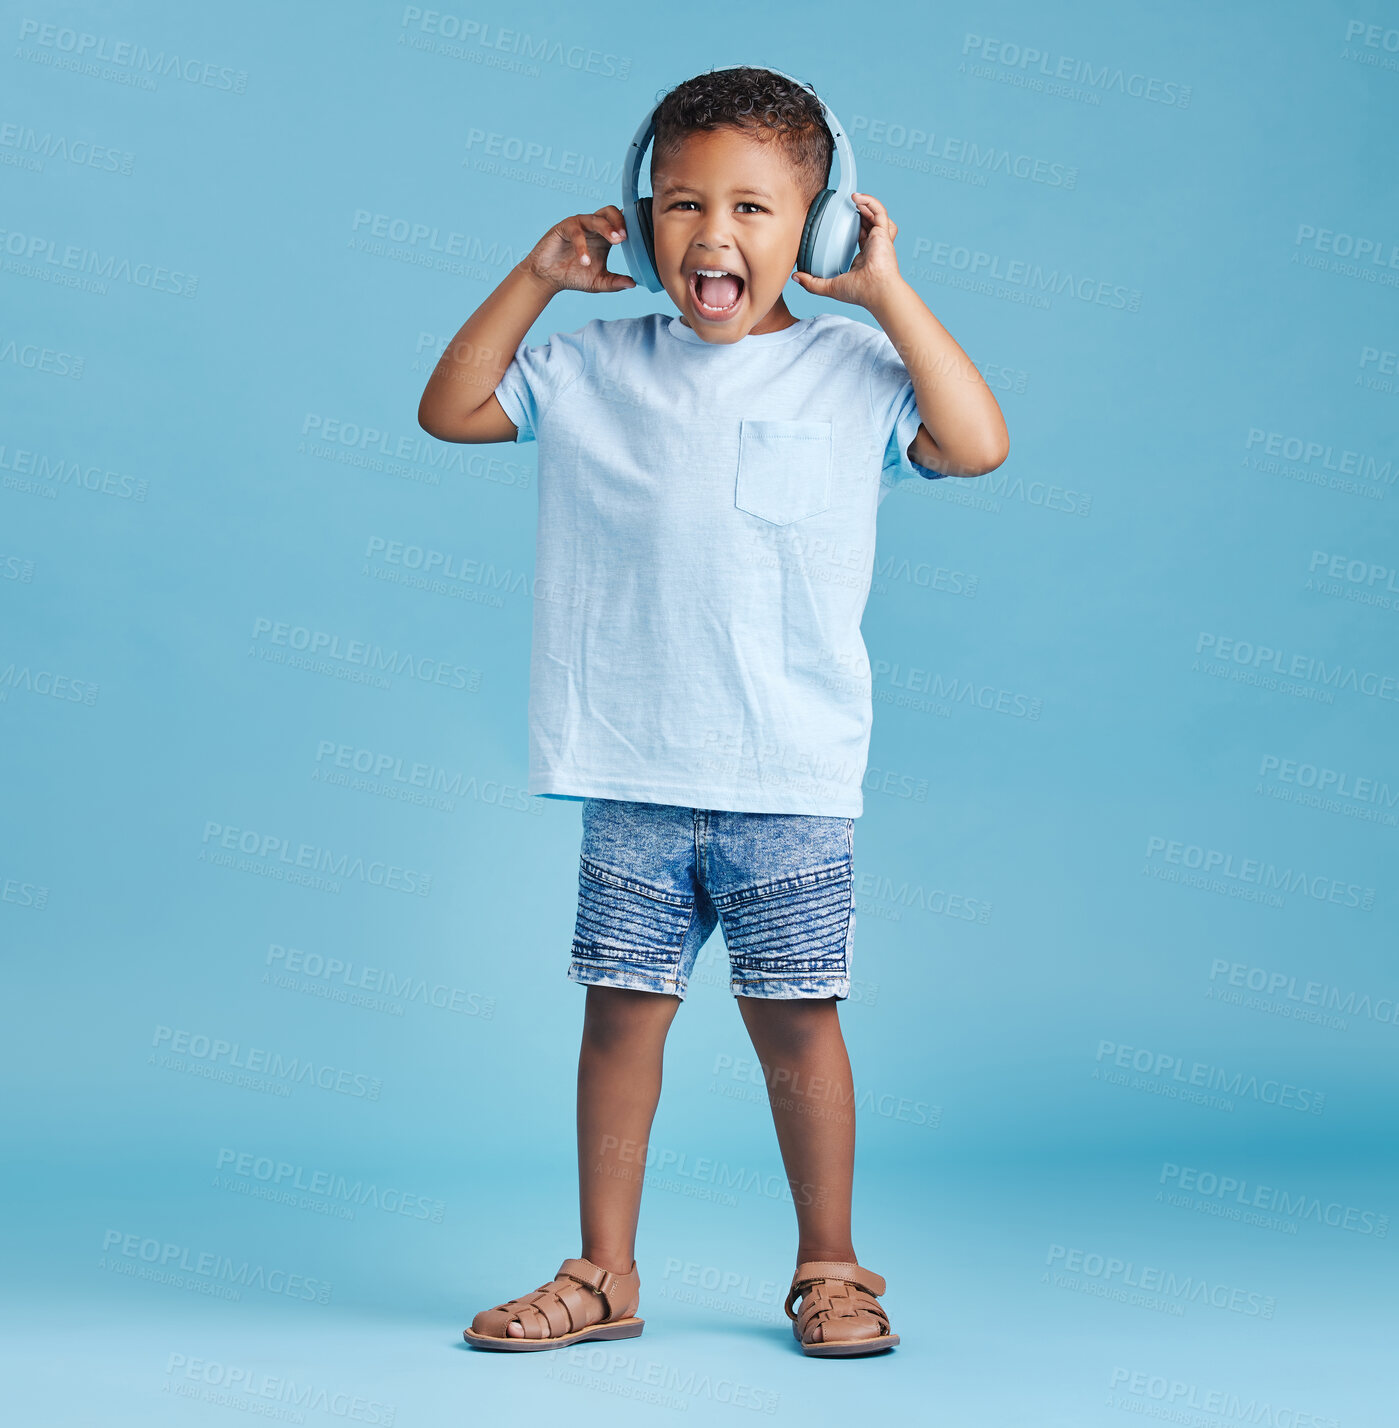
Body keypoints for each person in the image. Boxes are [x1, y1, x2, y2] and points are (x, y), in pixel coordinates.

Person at [417, 65, 1008, 1358]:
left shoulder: (855, 372)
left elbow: (975, 443)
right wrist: (535, 276)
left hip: (789, 774)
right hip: (632, 765)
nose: (716, 237)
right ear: (639, 222)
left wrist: (890, 293)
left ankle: (833, 1269)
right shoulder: (590, 364)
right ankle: (603, 1274)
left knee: (799, 1023)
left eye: (755, 208)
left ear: (824, 224)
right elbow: (451, 406)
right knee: (620, 1015)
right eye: (683, 205)